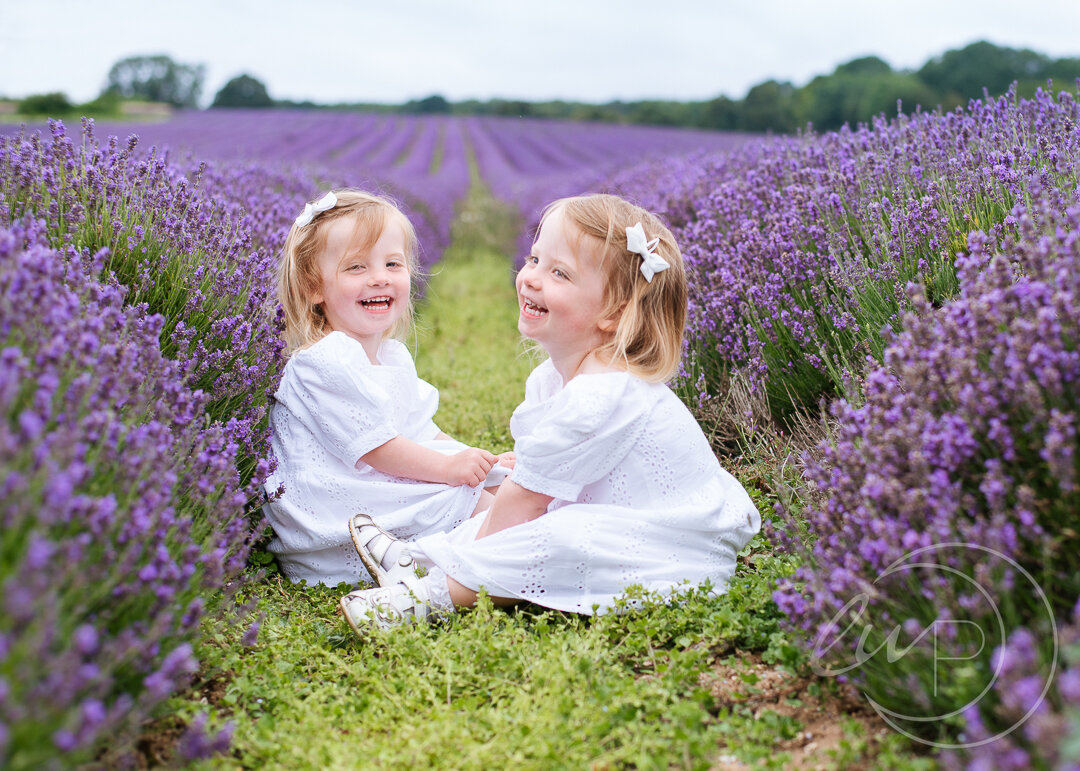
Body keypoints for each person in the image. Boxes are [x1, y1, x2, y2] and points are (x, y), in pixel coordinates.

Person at [339, 193, 761, 629]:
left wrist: (483, 549)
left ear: (613, 314)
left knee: (557, 534)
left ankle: (430, 596)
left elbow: (522, 503)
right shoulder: (555, 378)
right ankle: (419, 560)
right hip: (617, 513)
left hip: (667, 546)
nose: (532, 278)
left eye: (559, 273)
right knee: (528, 509)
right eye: (534, 258)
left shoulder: (601, 395)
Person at [263, 189, 511, 586]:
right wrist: (451, 469)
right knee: (473, 501)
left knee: (501, 489)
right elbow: (377, 446)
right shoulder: (321, 362)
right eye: (356, 267)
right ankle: (440, 564)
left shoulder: (391, 356)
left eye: (392, 263)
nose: (379, 277)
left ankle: (470, 552)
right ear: (314, 288)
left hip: (370, 487)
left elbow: (420, 432)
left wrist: (478, 462)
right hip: (333, 521)